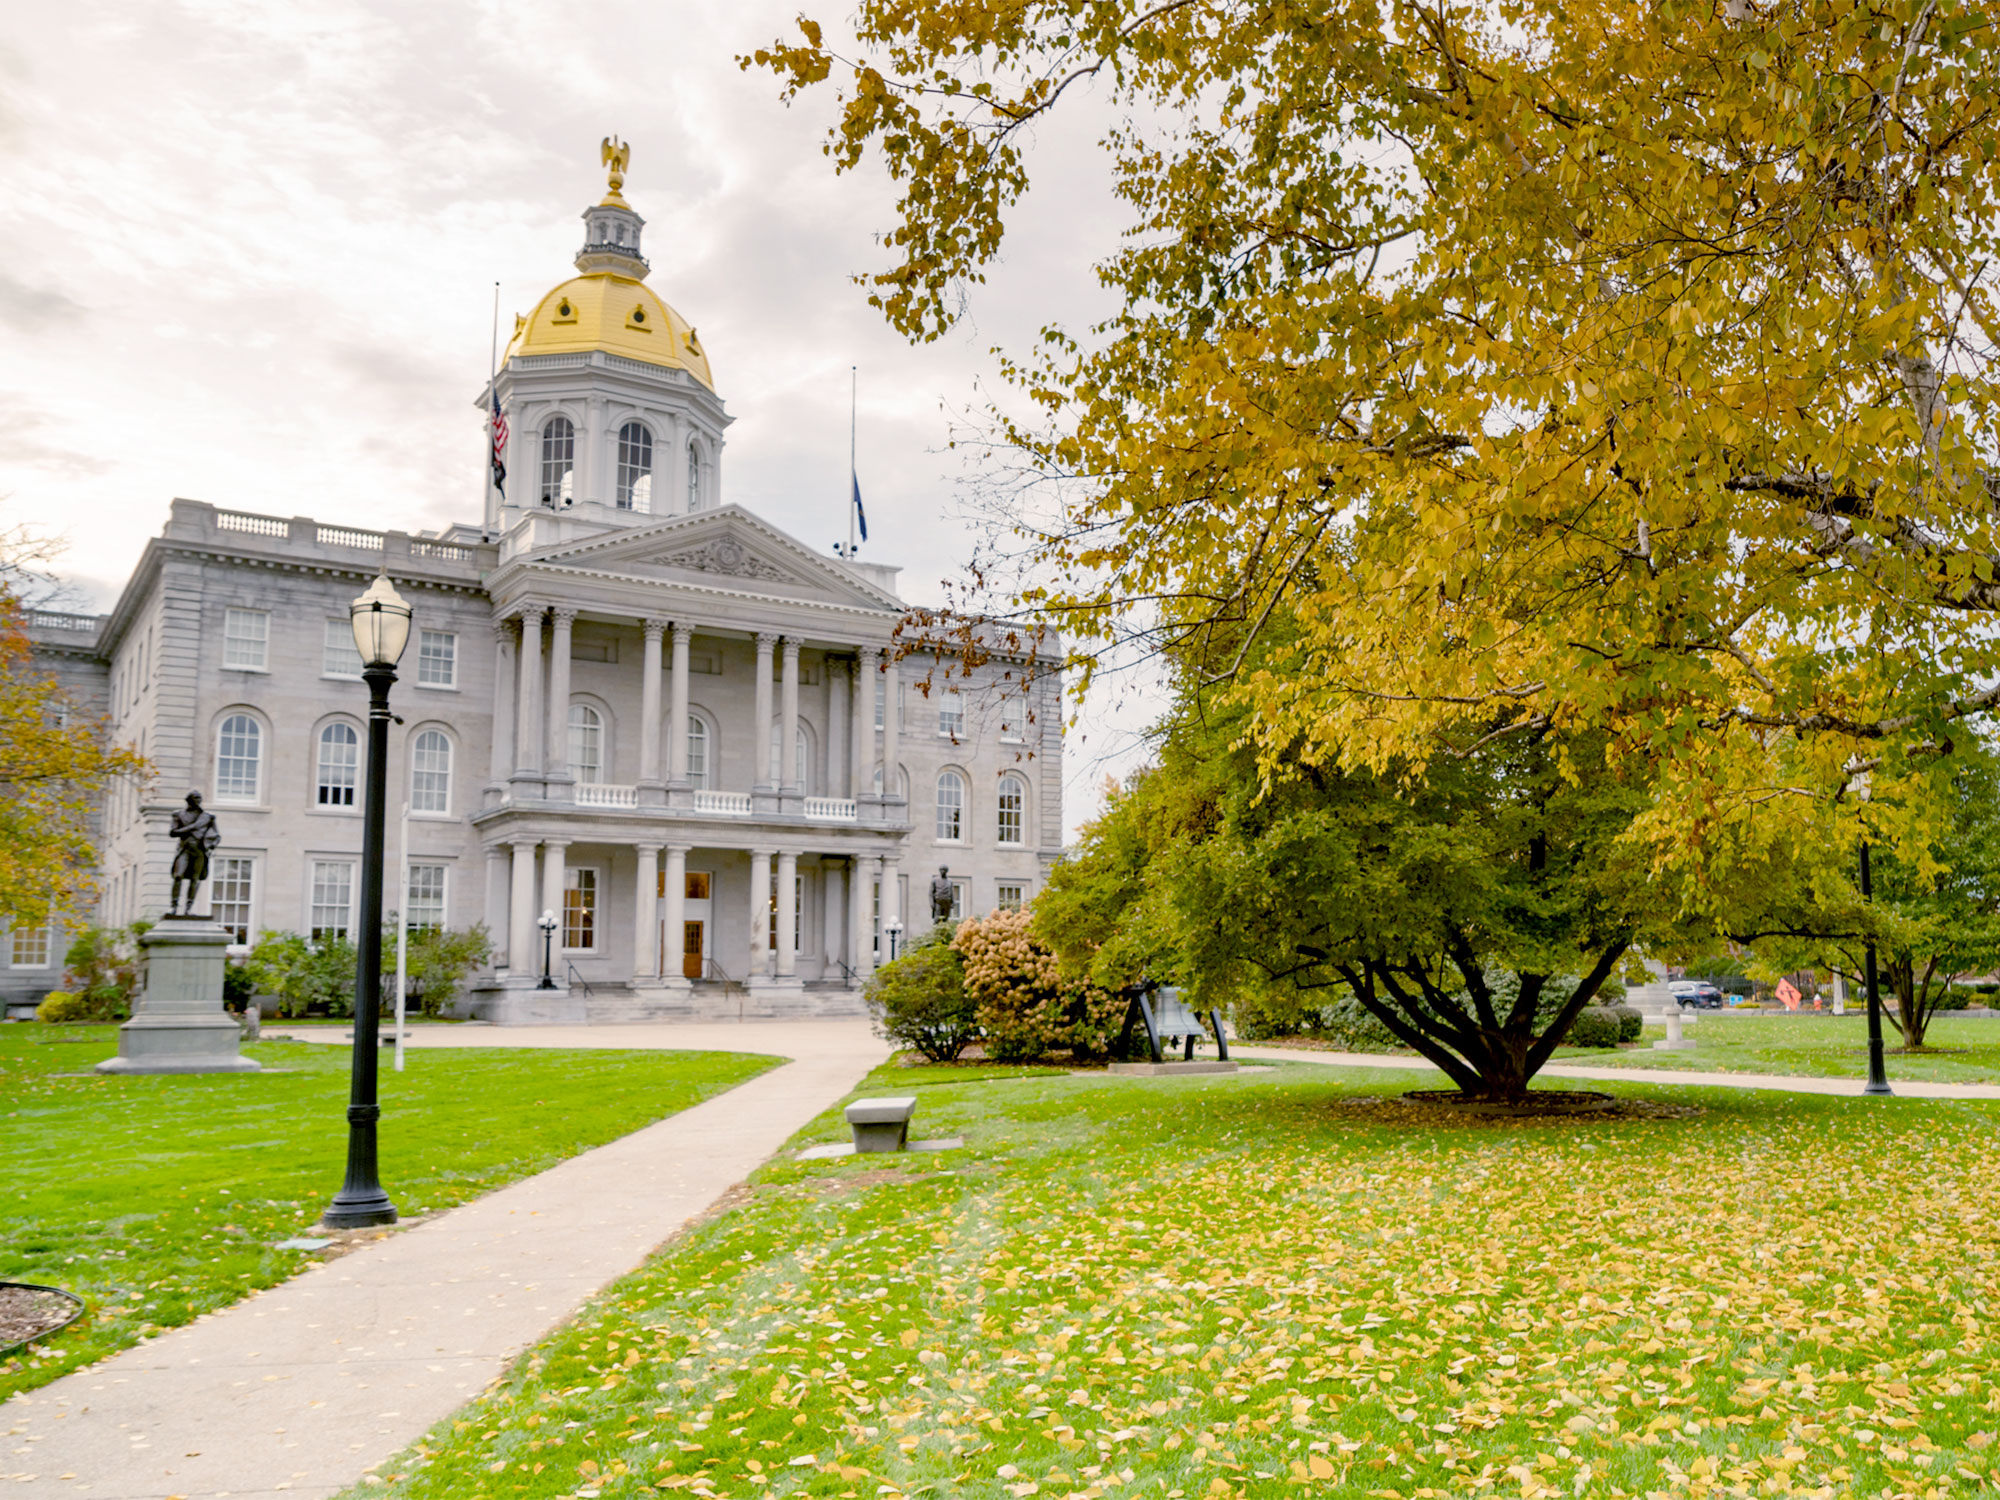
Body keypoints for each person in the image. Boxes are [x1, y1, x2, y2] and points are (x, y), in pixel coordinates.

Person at [168, 791, 222, 916]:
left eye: (199, 798)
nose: (198, 800)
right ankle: (174, 906)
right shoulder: (179, 814)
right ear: (188, 800)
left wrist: (212, 845)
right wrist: (192, 827)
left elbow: (217, 836)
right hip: (184, 849)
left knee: (195, 879)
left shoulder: (208, 817)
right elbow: (172, 832)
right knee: (178, 876)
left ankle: (189, 908)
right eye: (195, 798)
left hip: (199, 850)